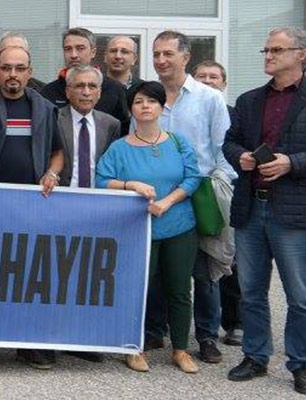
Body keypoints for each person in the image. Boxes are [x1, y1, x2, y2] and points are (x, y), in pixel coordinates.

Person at [0, 45, 64, 371]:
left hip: (32, 208)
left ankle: (28, 345)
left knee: (27, 276)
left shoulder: (45, 109)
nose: (13, 75)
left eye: (20, 68)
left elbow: (57, 153)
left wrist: (52, 174)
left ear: (29, 72)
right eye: (6, 68)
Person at [222, 26, 306, 396]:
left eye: (277, 50)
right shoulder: (249, 100)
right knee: (251, 290)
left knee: (299, 296)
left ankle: (301, 363)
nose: (268, 56)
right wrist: (239, 156)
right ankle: (255, 356)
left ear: (301, 54)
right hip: (251, 208)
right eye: (266, 50)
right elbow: (229, 142)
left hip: (293, 212)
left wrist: (292, 163)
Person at [97, 81, 202, 374]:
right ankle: (133, 347)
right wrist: (130, 184)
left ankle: (180, 349)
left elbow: (193, 178)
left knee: (180, 289)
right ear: (131, 108)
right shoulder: (119, 148)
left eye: (152, 101)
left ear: (161, 107)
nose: (145, 106)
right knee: (137, 289)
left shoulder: (179, 142)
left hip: (180, 227)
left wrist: (167, 201)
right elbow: (101, 180)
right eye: (139, 101)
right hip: (138, 230)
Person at [146, 30, 234, 365]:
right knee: (158, 268)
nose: (161, 60)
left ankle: (207, 336)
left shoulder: (208, 98)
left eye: (168, 54)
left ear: (186, 57)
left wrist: (222, 187)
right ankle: (156, 330)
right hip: (157, 197)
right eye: (156, 54)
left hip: (200, 195)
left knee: (204, 269)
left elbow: (223, 149)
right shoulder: (148, 96)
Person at [192, 59, 243, 348]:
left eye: (214, 77)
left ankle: (235, 322)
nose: (208, 81)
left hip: (225, 192)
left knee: (227, 259)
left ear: (223, 84)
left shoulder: (236, 115)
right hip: (195, 189)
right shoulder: (187, 109)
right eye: (202, 76)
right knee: (202, 263)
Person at [41, 28, 130, 136]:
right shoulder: (49, 92)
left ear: (93, 52)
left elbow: (124, 132)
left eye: (80, 48)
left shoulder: (114, 89)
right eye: (68, 49)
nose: (73, 55)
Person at [58, 65, 120, 189]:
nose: (86, 93)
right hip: (61, 194)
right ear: (67, 92)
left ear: (99, 93)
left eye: (92, 86)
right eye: (80, 86)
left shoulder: (111, 124)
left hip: (98, 195)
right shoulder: (54, 119)